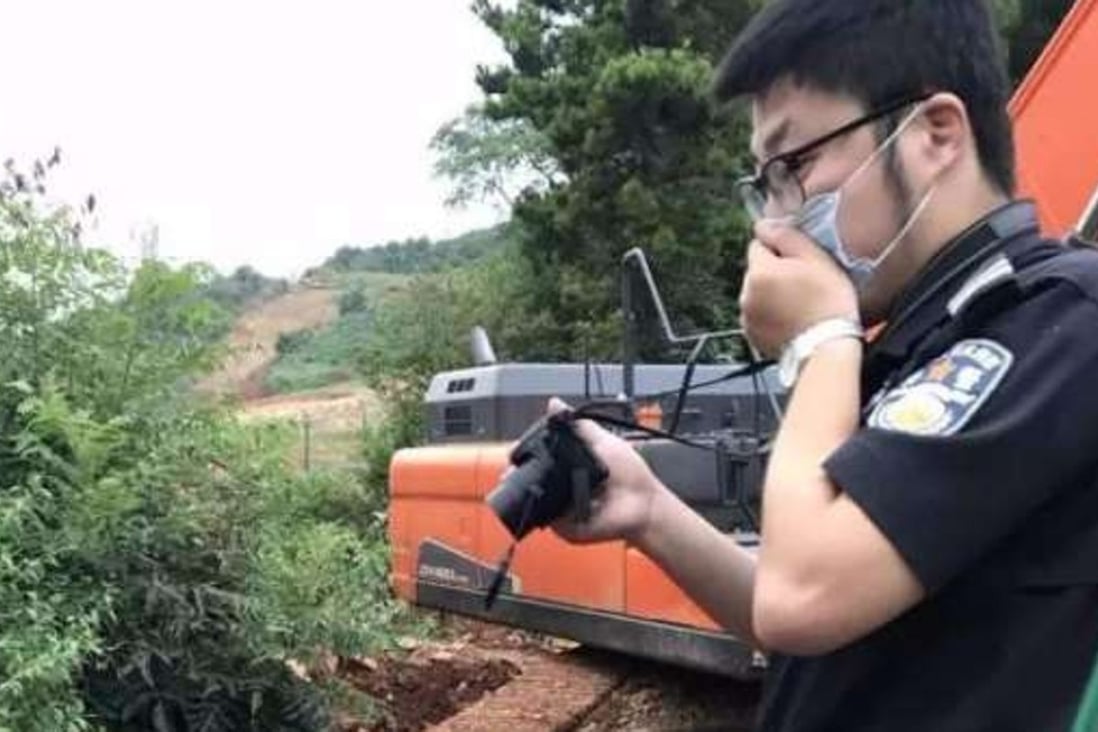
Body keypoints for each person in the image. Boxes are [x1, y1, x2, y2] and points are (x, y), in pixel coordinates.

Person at [547, 1, 1098, 730]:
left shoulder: (1055, 324)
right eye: (765, 184)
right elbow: (813, 623)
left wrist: (820, 341)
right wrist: (650, 512)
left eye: (796, 164)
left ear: (935, 133)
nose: (775, 222)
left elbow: (801, 599)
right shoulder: (917, 344)